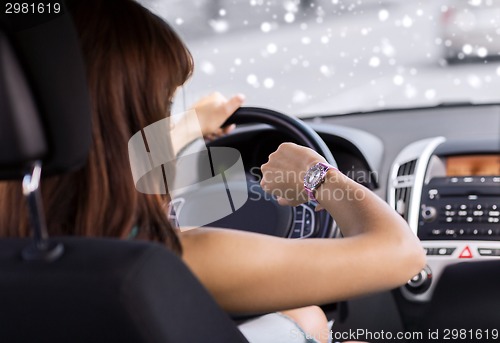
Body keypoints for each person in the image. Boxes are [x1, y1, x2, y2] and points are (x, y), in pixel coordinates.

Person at [0, 1, 426, 342]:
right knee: (312, 319)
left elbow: (97, 154)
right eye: (161, 107)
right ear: (122, 127)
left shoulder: (20, 252)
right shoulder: (168, 263)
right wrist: (318, 176)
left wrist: (191, 124)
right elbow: (401, 254)